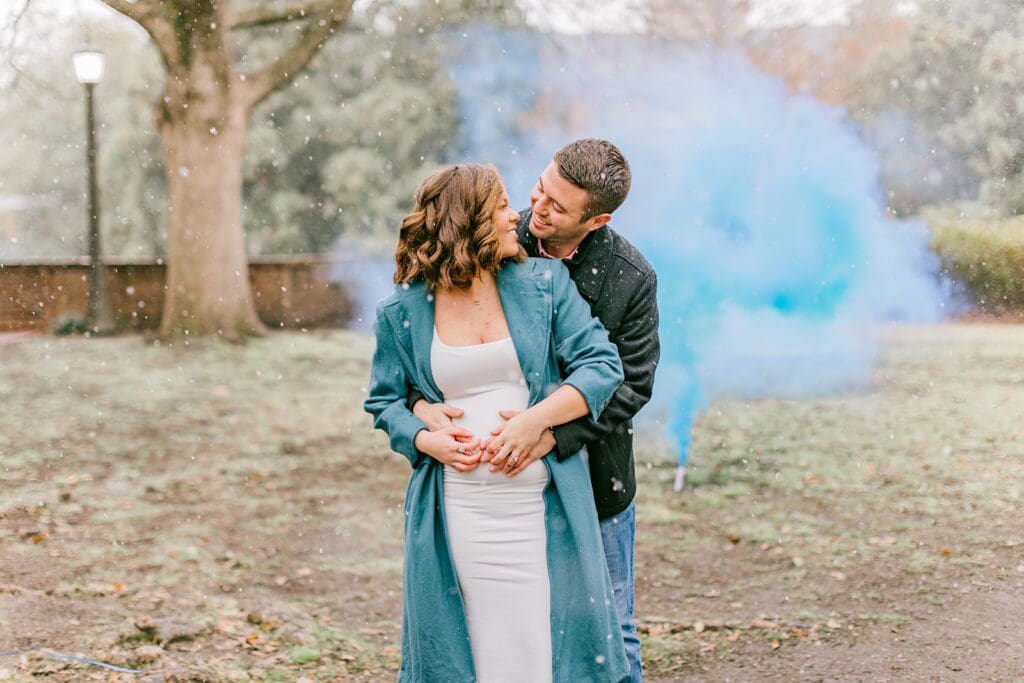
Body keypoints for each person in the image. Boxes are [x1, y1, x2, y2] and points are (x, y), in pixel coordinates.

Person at [364, 163, 630, 682]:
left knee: (548, 652)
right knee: (473, 652)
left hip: (544, 508)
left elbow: (604, 367)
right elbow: (384, 401)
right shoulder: (401, 310)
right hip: (458, 515)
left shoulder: (545, 284)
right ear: (469, 223)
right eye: (502, 206)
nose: (518, 217)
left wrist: (535, 423)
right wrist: (424, 436)